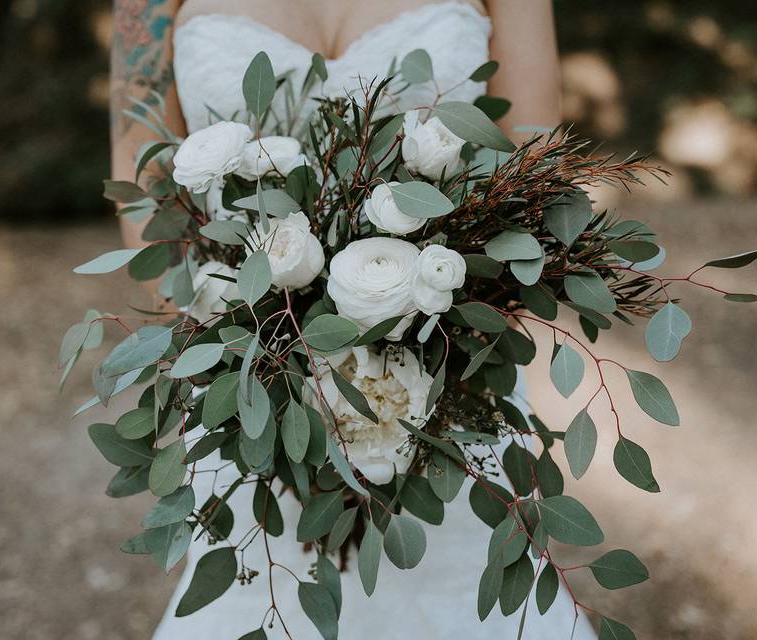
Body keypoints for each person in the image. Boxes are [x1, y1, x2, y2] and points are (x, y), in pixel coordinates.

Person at [109, 2, 592, 638]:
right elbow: (141, 174)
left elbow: (534, 166)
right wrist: (257, 354)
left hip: (454, 377)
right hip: (253, 380)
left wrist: (432, 354)